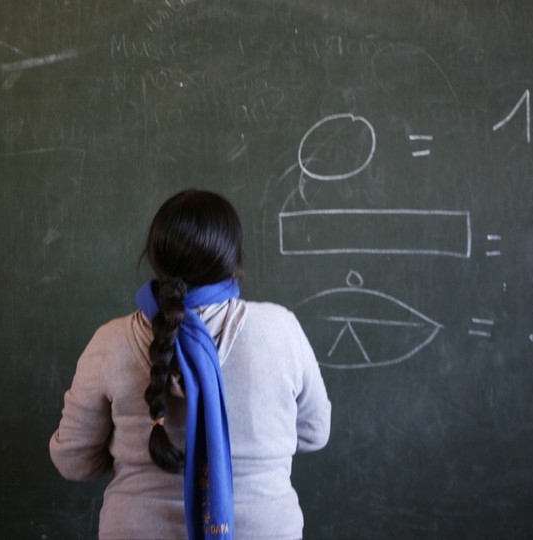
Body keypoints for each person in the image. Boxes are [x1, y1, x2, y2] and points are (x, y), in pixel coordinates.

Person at [49, 189, 331, 539]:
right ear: (234, 258)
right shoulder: (281, 329)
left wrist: (134, 457)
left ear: (155, 257)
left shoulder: (109, 341)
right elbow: (315, 432)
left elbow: (73, 459)